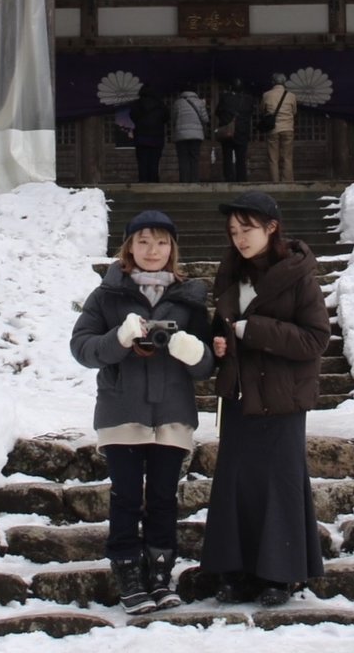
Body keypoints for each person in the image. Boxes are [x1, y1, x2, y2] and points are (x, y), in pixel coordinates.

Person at [70, 210, 214, 615]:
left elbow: (207, 366)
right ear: (129, 246)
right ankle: (128, 575)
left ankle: (160, 575)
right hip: (122, 412)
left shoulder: (190, 296)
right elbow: (82, 348)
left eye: (162, 242)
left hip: (173, 413)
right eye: (144, 241)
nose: (153, 251)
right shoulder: (107, 295)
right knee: (126, 498)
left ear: (173, 249)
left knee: (165, 500)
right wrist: (120, 338)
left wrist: (191, 350)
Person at [199, 190, 330, 608]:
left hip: (283, 398)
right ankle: (235, 571)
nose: (239, 238)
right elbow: (223, 327)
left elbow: (316, 339)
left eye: (248, 229)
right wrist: (219, 342)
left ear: (272, 227)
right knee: (236, 483)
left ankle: (280, 574)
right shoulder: (230, 273)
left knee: (280, 483)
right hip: (239, 396)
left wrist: (249, 330)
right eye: (234, 230)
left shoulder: (298, 275)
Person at [214, 78, 253, 182]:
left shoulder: (225, 98)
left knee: (227, 157)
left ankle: (229, 178)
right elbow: (250, 113)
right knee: (241, 158)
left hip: (228, 131)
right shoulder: (248, 99)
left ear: (231, 87)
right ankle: (241, 179)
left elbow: (217, 112)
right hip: (242, 132)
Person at [261, 72, 297, 184]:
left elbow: (263, 110)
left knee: (273, 158)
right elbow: (294, 111)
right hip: (287, 128)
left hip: (273, 129)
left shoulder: (266, 95)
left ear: (273, 82)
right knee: (287, 157)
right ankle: (287, 182)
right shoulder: (291, 96)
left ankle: (275, 183)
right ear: (284, 82)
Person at [129, 85, 168, 183]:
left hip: (141, 138)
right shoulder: (160, 105)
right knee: (154, 162)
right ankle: (153, 183)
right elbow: (166, 118)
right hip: (156, 138)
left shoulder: (136, 104)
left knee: (142, 162)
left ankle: (143, 183)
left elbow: (132, 116)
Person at [170, 85, 209, 183]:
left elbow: (173, 119)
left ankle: (184, 181)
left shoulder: (177, 103)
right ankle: (194, 181)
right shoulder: (199, 102)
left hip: (181, 135)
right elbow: (205, 119)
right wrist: (204, 105)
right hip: (196, 136)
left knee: (183, 159)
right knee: (194, 158)